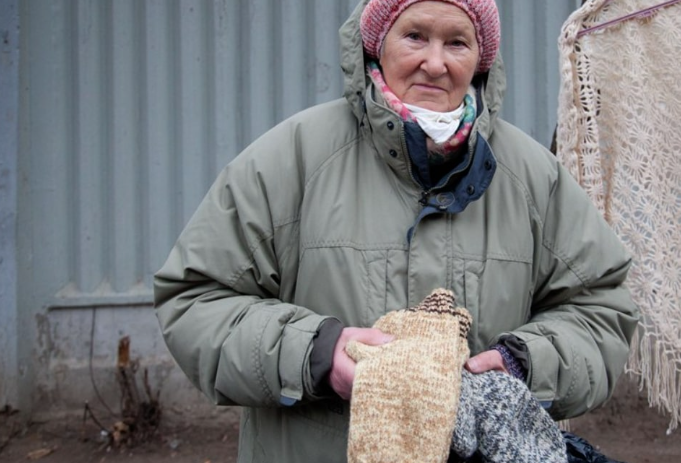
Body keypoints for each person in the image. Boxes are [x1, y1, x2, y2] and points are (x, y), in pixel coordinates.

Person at [154, 0, 639, 461]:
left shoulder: (532, 177)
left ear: (481, 58)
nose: (435, 63)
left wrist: (523, 363)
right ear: (377, 44)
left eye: (457, 42)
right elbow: (196, 299)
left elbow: (600, 309)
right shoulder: (291, 160)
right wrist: (316, 353)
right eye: (415, 36)